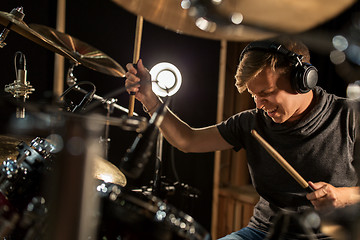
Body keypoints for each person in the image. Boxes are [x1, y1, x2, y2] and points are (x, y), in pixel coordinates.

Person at [124, 36, 360, 239]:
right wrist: (149, 99)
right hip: (263, 233)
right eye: (253, 95)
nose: (258, 104)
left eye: (266, 93)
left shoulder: (349, 116)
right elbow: (187, 140)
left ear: (302, 81)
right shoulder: (250, 123)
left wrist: (344, 196)